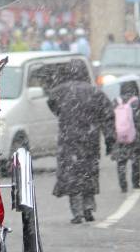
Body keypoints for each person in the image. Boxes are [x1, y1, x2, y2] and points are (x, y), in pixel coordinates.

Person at [47, 60, 115, 223]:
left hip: (68, 139)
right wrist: (109, 139)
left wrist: (62, 115)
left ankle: (77, 212)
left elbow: (51, 102)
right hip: (90, 139)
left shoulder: (60, 91)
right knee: (88, 173)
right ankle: (89, 207)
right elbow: (108, 116)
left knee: (72, 175)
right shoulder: (95, 92)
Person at [113, 79, 140, 192]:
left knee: (121, 162)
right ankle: (136, 183)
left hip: (119, 135)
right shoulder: (137, 101)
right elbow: (139, 116)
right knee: (135, 160)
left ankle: (123, 185)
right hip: (134, 134)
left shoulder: (116, 101)